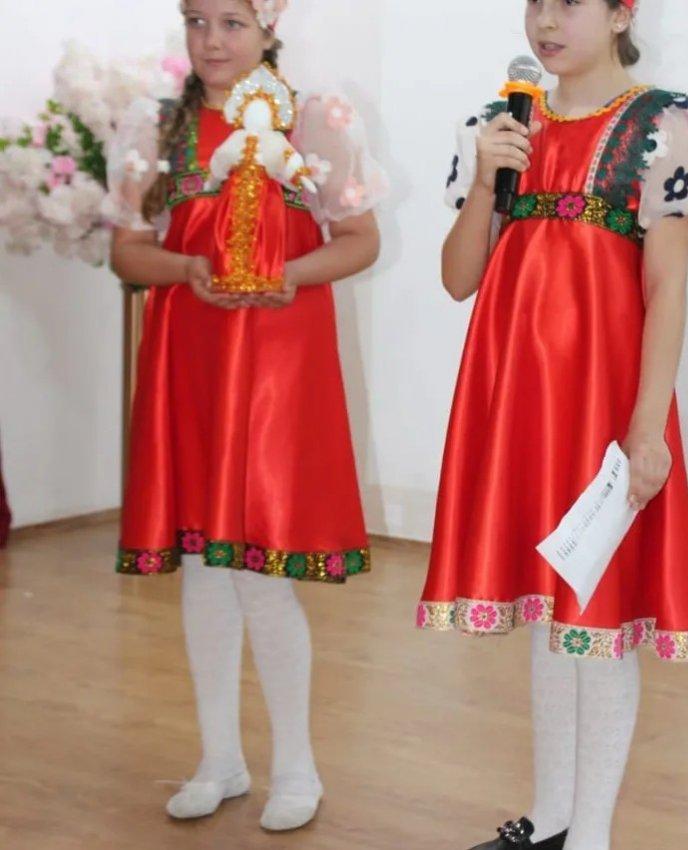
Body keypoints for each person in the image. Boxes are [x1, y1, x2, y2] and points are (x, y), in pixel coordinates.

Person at [417, 1, 688, 848]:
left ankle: (591, 835)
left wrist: (648, 428)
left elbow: (666, 287)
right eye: (536, 1)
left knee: (598, 613)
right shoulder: (500, 125)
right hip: (518, 401)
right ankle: (551, 818)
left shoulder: (660, 127)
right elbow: (459, 278)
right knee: (551, 609)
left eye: (570, 1)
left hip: (602, 407)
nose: (546, 20)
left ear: (622, 12)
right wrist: (486, 181)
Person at [107, 0, 386, 832]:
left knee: (261, 573)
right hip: (192, 360)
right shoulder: (157, 127)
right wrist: (185, 268)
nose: (212, 41)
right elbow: (127, 249)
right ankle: (219, 760)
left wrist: (290, 275)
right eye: (197, 21)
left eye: (231, 22)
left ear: (269, 25)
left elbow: (360, 237)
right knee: (204, 566)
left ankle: (297, 767)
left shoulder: (314, 119)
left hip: (275, 366)